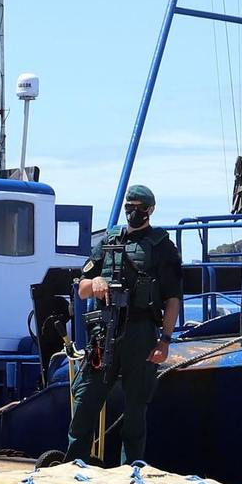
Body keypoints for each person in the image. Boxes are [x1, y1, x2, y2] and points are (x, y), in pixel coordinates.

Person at [64, 184, 183, 465]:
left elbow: (173, 299)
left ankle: (131, 472)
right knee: (85, 402)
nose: (133, 212)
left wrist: (164, 340)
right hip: (103, 334)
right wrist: (94, 282)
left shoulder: (162, 247)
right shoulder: (108, 242)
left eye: (139, 208)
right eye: (129, 206)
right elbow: (81, 288)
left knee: (135, 411)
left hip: (140, 334)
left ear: (150, 210)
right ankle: (71, 468)